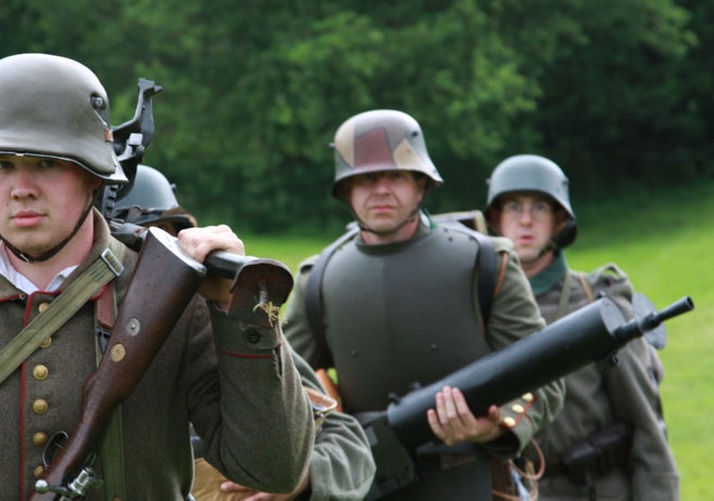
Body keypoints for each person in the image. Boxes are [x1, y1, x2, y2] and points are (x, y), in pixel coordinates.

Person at [0, 53, 315, 500]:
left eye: (46, 163)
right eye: (2, 165)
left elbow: (271, 468)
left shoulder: (171, 294)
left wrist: (242, 313)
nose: (21, 189)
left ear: (94, 175)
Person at [282, 109, 565, 499]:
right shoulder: (318, 280)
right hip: (365, 485)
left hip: (476, 483)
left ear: (421, 185)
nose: (381, 189)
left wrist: (492, 426)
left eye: (396, 176)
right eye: (364, 179)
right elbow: (282, 386)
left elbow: (545, 375)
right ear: (345, 191)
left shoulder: (486, 263)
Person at [117, 164, 377, 500]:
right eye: (138, 245)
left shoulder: (216, 323)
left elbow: (348, 444)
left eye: (165, 242)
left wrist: (303, 474)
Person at [484, 154, 679, 500]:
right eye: (513, 206)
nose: (526, 220)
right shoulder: (481, 307)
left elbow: (645, 424)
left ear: (560, 219)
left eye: (540, 207)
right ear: (496, 219)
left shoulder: (597, 301)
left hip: (595, 489)